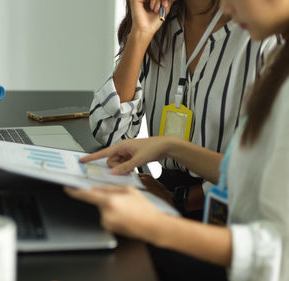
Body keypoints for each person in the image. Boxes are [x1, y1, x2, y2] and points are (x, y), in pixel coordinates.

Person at [66, 0, 289, 279]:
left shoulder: (265, 43)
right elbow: (251, 170)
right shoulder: (164, 20)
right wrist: (170, 146)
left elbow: (275, 251)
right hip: (193, 201)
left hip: (220, 215)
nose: (228, 8)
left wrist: (160, 219)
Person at [89, 0, 277, 216]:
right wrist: (140, 35)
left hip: (229, 209)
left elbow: (265, 172)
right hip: (164, 194)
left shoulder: (262, 30)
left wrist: (182, 199)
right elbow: (108, 130)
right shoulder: (160, 17)